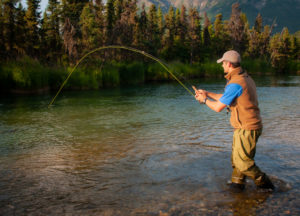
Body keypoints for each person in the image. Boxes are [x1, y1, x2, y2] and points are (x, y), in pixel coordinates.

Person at [194, 50, 274, 191]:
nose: (222, 65)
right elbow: (226, 97)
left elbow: (218, 107)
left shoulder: (236, 83)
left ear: (229, 64)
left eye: (223, 63)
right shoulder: (243, 77)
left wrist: (204, 100)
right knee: (237, 160)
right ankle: (237, 185)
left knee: (243, 163)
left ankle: (266, 185)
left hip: (248, 128)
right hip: (244, 126)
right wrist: (207, 93)